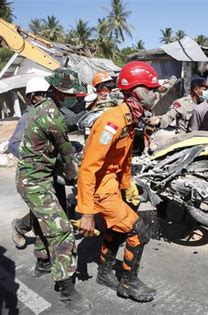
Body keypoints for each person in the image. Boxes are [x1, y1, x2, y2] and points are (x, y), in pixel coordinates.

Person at [77, 61, 158, 302]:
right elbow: (88, 169)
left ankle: (104, 273)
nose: (155, 94)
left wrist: (127, 186)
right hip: (100, 189)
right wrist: (87, 212)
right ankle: (129, 283)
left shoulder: (130, 117)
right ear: (138, 92)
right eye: (151, 89)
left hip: (112, 185)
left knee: (116, 229)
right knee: (139, 232)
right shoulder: (111, 122)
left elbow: (123, 159)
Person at [15, 68, 92, 312]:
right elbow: (67, 156)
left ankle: (42, 264)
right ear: (56, 90)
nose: (72, 96)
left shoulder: (44, 108)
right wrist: (75, 179)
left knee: (44, 220)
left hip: (38, 176)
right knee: (61, 230)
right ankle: (66, 289)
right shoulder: (52, 116)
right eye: (69, 93)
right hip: (34, 181)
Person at [10, 76, 70, 278]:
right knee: (47, 217)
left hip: (52, 174)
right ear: (33, 97)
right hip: (36, 176)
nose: (47, 98)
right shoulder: (29, 117)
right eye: (43, 95)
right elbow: (14, 145)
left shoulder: (53, 113)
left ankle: (43, 259)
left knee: (51, 215)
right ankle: (42, 258)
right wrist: (37, 161)